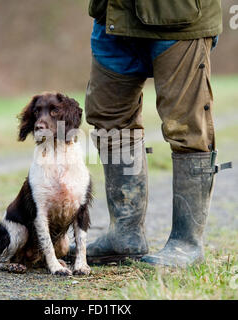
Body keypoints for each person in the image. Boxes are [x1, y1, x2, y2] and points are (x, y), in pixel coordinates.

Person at [74, 0, 232, 267]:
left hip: (180, 16)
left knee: (186, 125)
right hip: (113, 14)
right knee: (108, 116)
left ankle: (186, 244)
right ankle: (125, 235)